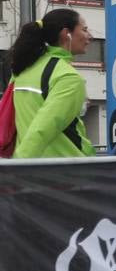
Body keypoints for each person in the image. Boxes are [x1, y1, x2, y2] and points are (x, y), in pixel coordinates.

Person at [8, 8, 94, 158]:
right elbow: (42, 128)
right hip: (67, 170)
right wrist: (17, 168)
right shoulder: (67, 76)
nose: (90, 36)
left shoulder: (22, 69)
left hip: (32, 169)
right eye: (85, 30)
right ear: (66, 33)